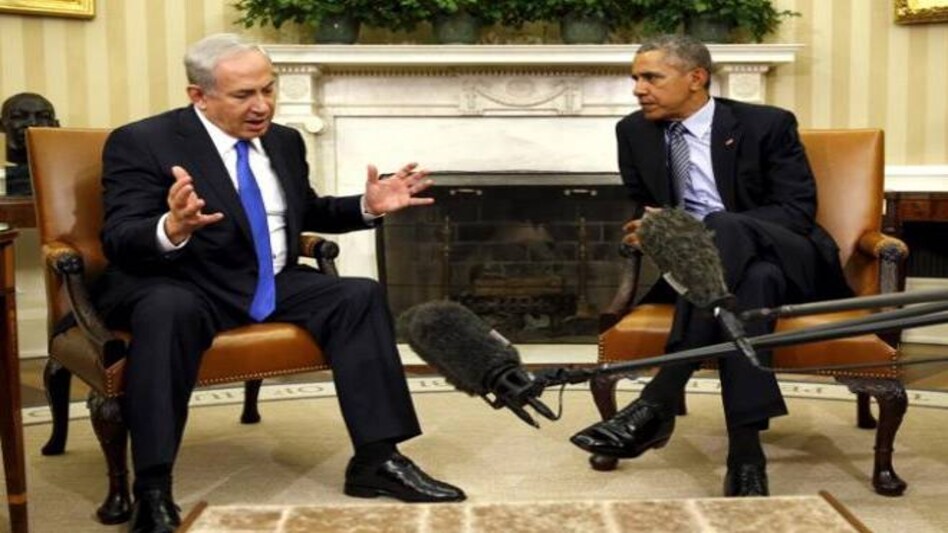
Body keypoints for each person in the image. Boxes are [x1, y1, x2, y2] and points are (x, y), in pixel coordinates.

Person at [97, 33, 464, 533]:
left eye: (268, 90)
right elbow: (119, 238)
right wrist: (173, 226)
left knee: (357, 295)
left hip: (265, 278)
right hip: (183, 280)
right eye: (244, 95)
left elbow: (304, 211)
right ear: (198, 96)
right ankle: (153, 487)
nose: (262, 106)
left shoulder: (284, 141)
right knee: (168, 310)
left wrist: (365, 205)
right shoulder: (142, 141)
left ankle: (377, 459)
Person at [569, 35, 851, 497]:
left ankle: (659, 398)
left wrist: (710, 232)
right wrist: (652, 230)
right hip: (737, 277)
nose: (638, 89)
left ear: (696, 78)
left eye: (651, 77)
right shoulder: (633, 132)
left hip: (790, 258)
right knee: (749, 285)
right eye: (636, 79)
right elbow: (648, 207)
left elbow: (796, 210)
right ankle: (745, 454)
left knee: (725, 226)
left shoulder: (767, 124)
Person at [0, 92, 59, 195]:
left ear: (56, 126)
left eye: (43, 116)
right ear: (1, 126)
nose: (33, 123)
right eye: (19, 116)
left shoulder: (68, 174)